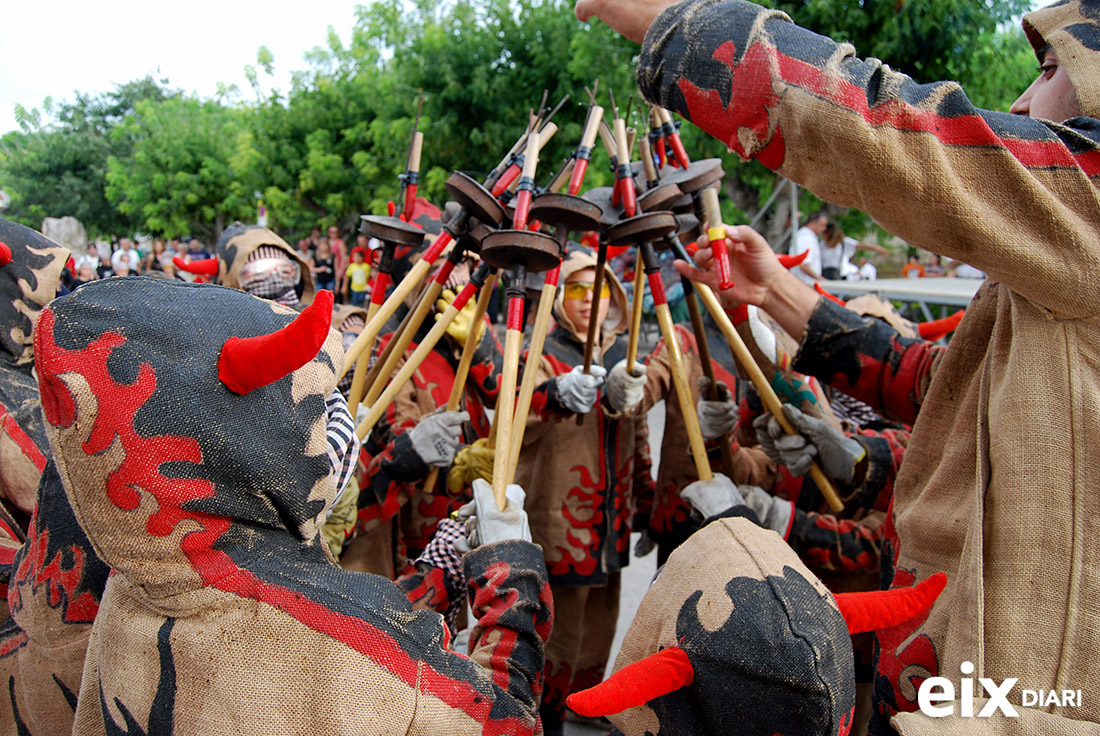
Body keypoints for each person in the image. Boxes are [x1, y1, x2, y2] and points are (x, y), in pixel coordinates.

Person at [575, 0, 1100, 730]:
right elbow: (939, 380)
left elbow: (895, 133)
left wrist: (682, 21)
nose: (1018, 102)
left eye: (1049, 69)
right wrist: (780, 294)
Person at [36, 277, 552, 735]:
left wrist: (434, 575)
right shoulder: (329, 640)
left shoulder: (134, 582)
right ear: (239, 442)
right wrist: (512, 575)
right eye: (318, 405)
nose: (337, 424)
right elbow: (502, 720)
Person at [512, 244, 652, 735]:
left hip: (610, 517)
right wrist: (552, 394)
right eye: (576, 289)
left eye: (599, 290)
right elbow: (512, 416)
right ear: (560, 298)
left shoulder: (623, 353)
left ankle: (584, 706)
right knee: (560, 633)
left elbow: (637, 436)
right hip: (559, 518)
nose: (589, 300)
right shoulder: (540, 351)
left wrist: (646, 500)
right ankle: (543, 720)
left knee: (601, 626)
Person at [790, 211, 827, 284]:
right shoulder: (806, 238)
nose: (825, 228)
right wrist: (819, 279)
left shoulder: (807, 236)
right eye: (822, 225)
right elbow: (803, 264)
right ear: (813, 223)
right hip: (804, 284)